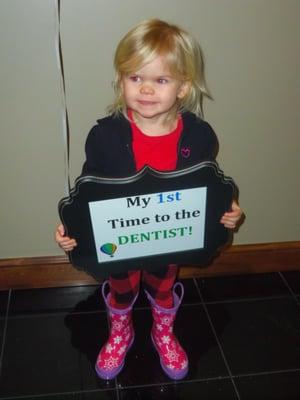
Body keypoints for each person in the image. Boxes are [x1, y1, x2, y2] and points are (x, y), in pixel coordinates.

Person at [55, 19, 243, 381]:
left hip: (169, 241)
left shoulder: (200, 136)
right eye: (135, 78)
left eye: (161, 80)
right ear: (120, 80)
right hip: (121, 242)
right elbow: (89, 190)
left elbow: (208, 186)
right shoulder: (105, 137)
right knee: (122, 289)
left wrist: (227, 211)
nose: (146, 89)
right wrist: (71, 228)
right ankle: (120, 330)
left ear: (183, 86)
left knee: (162, 285)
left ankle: (163, 329)